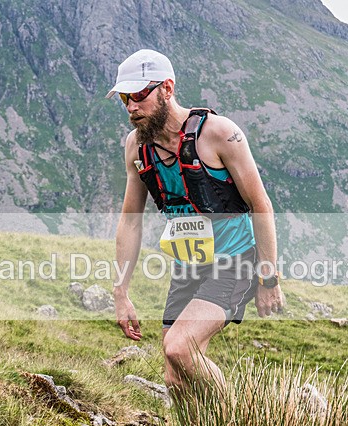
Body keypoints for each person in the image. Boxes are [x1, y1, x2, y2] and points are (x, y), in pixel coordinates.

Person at [107, 49, 284, 396]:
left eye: (139, 95)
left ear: (167, 89)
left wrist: (268, 278)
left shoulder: (219, 133)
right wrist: (120, 291)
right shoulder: (136, 148)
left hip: (236, 261)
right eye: (124, 98)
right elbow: (130, 222)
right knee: (175, 374)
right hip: (188, 265)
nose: (131, 107)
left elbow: (260, 204)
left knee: (179, 348)